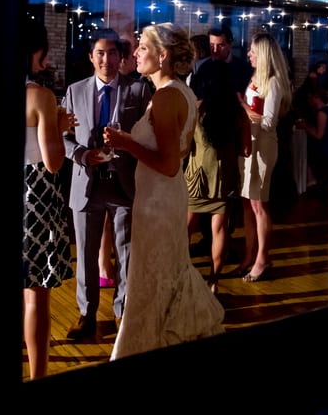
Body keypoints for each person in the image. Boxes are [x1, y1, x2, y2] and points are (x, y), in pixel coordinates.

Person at [103, 22, 225, 359]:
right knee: (165, 271)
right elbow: (179, 152)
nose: (136, 52)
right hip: (163, 197)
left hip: (158, 202)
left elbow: (169, 164)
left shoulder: (167, 97)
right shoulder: (180, 91)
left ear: (163, 55)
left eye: (143, 47)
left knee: (153, 277)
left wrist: (126, 142)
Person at [62, 31, 153, 339]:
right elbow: (61, 136)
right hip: (87, 184)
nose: (106, 59)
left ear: (121, 57)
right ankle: (86, 314)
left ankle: (122, 312)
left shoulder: (138, 90)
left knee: (125, 254)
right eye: (100, 53)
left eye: (112, 53)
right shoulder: (75, 91)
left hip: (124, 183)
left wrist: (127, 144)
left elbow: (149, 135)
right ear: (91, 57)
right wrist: (81, 154)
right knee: (86, 255)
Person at [23, 18, 77, 379]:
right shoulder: (39, 96)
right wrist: (59, 126)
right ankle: (38, 376)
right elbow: (53, 162)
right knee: (35, 295)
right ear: (35, 51)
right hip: (35, 196)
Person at [184, 59, 252, 293]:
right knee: (220, 230)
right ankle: (213, 281)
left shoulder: (197, 109)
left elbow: (185, 145)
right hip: (224, 176)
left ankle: (182, 275)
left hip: (197, 175)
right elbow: (247, 150)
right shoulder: (238, 112)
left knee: (186, 229)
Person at [237, 32, 292, 282]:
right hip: (249, 143)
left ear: (264, 55)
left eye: (253, 51)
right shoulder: (255, 79)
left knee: (259, 204)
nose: (249, 54)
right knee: (249, 203)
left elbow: (269, 122)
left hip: (263, 146)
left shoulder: (274, 82)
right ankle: (250, 255)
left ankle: (262, 259)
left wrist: (243, 106)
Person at [97, 33, 137, 288]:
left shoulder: (137, 88)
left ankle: (109, 268)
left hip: (124, 167)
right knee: (104, 218)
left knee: (118, 223)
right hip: (100, 162)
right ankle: (103, 264)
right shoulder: (91, 88)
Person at [296, 88, 328, 193]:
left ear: (317, 98)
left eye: (310, 98)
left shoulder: (322, 112)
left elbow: (319, 135)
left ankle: (310, 180)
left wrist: (305, 126)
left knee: (302, 151)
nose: (309, 101)